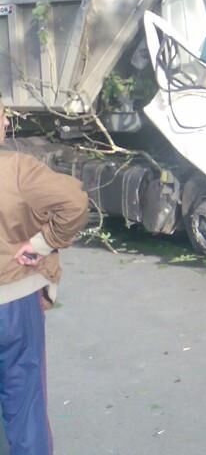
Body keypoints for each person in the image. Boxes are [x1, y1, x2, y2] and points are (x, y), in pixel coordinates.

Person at [0, 98, 88, 455]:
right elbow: (74, 204)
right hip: (12, 303)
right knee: (25, 402)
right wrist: (40, 244)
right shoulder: (17, 170)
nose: (6, 123)